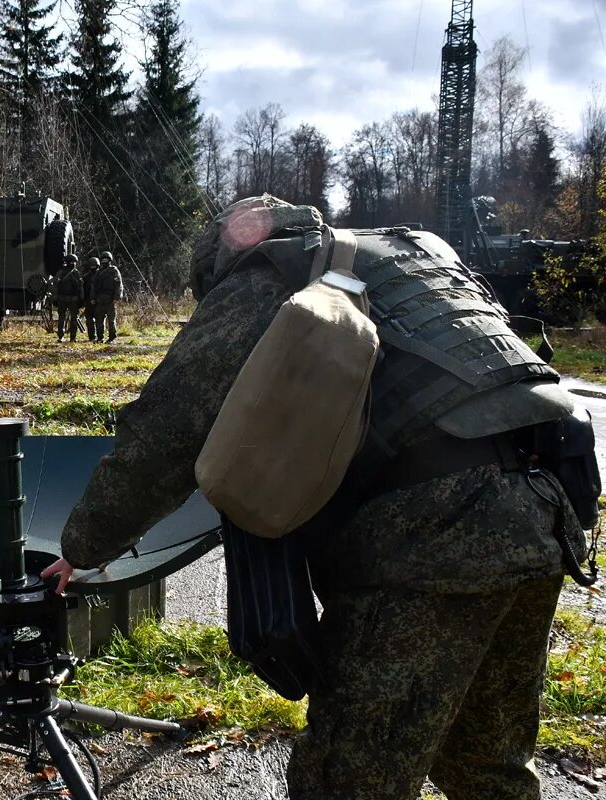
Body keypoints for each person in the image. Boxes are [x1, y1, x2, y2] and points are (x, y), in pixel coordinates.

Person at [42, 196, 589, 800]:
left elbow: (167, 431)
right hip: (547, 510)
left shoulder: (271, 272)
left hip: (435, 541)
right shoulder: (407, 253)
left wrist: (85, 544)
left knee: (347, 779)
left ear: (227, 256)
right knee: (485, 765)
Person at [91, 251, 123, 343]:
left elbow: (118, 284)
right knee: (99, 321)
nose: (104, 261)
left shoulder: (114, 271)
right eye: (103, 259)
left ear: (109, 260)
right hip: (100, 299)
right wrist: (93, 298)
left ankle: (112, 338)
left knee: (111, 321)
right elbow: (94, 286)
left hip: (110, 299)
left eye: (106, 259)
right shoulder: (98, 272)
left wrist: (117, 297)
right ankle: (100, 337)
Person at [54, 254, 82, 342]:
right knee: (62, 319)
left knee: (73, 319)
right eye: (72, 262)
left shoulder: (76, 273)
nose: (73, 264)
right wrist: (55, 298)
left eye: (74, 262)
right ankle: (62, 336)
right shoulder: (62, 272)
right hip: (64, 299)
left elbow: (80, 287)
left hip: (72, 299)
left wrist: (81, 299)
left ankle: (72, 337)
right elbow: (56, 286)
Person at [81, 256, 100, 343]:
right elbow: (83, 289)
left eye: (94, 265)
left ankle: (99, 337)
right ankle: (92, 337)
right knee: (90, 320)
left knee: (99, 320)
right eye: (91, 265)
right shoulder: (86, 277)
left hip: (98, 301)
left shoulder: (101, 275)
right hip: (89, 301)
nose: (93, 267)